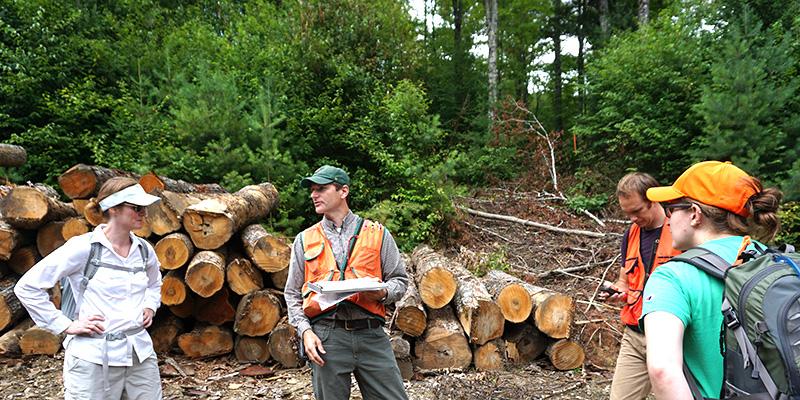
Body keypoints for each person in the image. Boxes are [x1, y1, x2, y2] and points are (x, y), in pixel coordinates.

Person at [640, 161, 781, 399]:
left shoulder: (672, 277)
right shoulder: (777, 261)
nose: (667, 218)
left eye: (671, 208)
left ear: (695, 214)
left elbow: (663, 370)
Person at [14, 177, 163, 400]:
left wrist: (150, 306)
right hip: (92, 359)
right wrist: (65, 325)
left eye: (144, 207)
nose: (144, 212)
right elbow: (27, 287)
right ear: (113, 209)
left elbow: (154, 283)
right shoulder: (83, 248)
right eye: (136, 207)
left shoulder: (144, 250)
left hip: (139, 355)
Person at [284, 165, 410, 400]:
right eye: (312, 190)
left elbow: (400, 281)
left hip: (372, 336)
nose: (314, 195)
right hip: (326, 338)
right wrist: (305, 332)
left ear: (343, 191)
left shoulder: (378, 233)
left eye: (321, 188)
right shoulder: (304, 239)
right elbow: (292, 293)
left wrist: (382, 293)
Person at [599, 172, 681, 400]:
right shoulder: (631, 235)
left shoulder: (681, 232)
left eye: (637, 211)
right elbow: (624, 281)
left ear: (654, 200)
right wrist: (618, 292)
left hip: (673, 339)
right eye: (627, 213)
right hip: (635, 336)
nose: (633, 218)